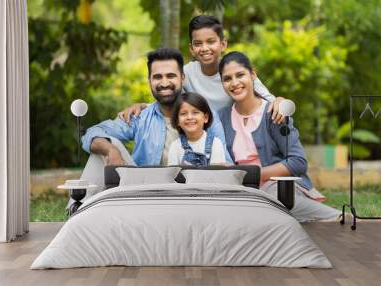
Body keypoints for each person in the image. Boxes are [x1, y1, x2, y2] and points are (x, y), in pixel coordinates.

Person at [217, 51, 340, 222]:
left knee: (274, 200)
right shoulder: (221, 118)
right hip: (243, 190)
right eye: (227, 78)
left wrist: (252, 174)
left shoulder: (274, 112)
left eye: (240, 75)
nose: (234, 83)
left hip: (277, 185)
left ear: (253, 74)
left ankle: (338, 218)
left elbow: (298, 162)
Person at [118, 15, 286, 124]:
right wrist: (142, 106)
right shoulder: (186, 73)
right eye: (198, 44)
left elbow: (268, 99)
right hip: (199, 136)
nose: (204, 48)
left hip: (233, 135)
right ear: (192, 48)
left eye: (211, 42)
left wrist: (278, 100)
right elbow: (168, 101)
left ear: (223, 44)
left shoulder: (234, 72)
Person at [81, 47, 231, 167]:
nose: (164, 83)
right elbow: (91, 133)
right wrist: (111, 150)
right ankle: (81, 204)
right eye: (158, 77)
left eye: (171, 76)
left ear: (182, 78)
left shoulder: (204, 115)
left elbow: (224, 161)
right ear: (149, 80)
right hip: (147, 194)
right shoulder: (139, 117)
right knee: (99, 152)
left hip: (194, 193)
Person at [168, 92, 227, 166]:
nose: (189, 117)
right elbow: (172, 175)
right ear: (177, 121)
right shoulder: (175, 146)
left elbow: (217, 174)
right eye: (183, 114)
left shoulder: (215, 143)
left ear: (205, 118)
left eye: (195, 112)